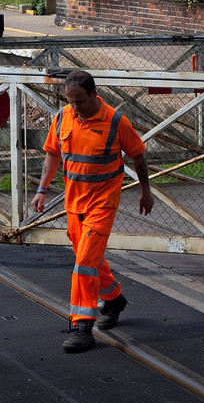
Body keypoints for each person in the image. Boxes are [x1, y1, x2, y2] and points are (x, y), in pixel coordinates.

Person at [31, 70, 154, 353]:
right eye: (70, 101)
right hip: (74, 205)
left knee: (84, 263)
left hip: (102, 204)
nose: (75, 107)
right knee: (92, 260)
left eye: (80, 101)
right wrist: (41, 189)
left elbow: (138, 155)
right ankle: (113, 299)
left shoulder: (115, 121)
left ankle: (81, 326)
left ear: (94, 94)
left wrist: (146, 192)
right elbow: (52, 153)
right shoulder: (63, 117)